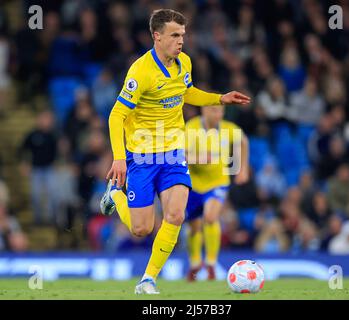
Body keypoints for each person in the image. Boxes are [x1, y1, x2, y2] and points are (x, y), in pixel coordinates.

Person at [100, 9, 250, 294]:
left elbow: (187, 92)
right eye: (174, 35)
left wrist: (219, 98)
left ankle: (148, 279)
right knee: (141, 229)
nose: (181, 41)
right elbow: (116, 115)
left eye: (183, 35)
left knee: (176, 215)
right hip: (142, 157)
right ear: (157, 37)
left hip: (172, 154)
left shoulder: (185, 63)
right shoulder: (141, 71)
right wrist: (119, 157)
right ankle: (115, 195)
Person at [184, 105, 249, 281]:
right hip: (194, 184)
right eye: (214, 110)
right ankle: (195, 262)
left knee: (211, 217)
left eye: (220, 111)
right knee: (195, 227)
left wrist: (243, 168)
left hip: (218, 181)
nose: (218, 114)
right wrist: (199, 159)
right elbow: (181, 155)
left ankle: (211, 263)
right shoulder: (192, 127)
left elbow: (243, 141)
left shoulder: (229, 128)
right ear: (204, 111)